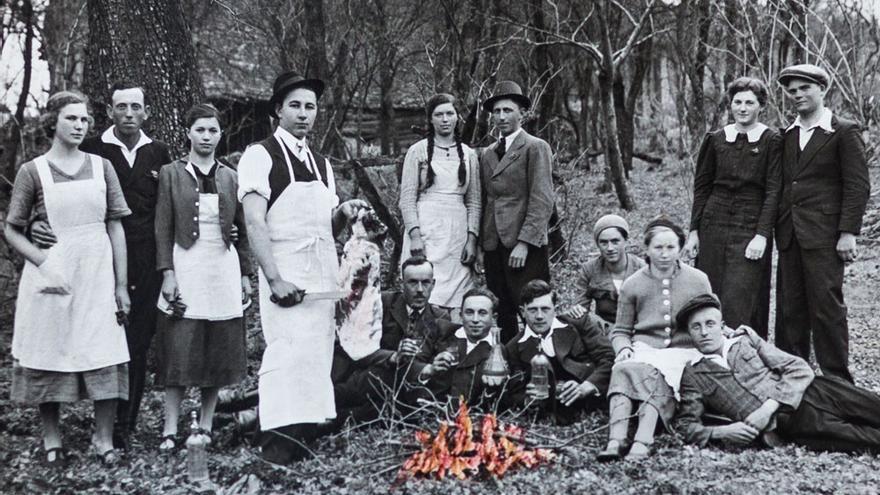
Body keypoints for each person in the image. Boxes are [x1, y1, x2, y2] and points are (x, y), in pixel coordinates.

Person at [30, 81, 173, 445]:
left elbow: (173, 206)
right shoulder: (92, 150)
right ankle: (87, 424)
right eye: (121, 107)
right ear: (109, 113)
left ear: (147, 112)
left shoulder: (159, 152)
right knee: (93, 338)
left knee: (137, 343)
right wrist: (36, 221)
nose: (128, 114)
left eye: (135, 107)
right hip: (94, 259)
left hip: (145, 261)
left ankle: (124, 425)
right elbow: (51, 192)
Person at [237, 71, 367, 464]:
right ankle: (276, 443)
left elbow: (325, 224)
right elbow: (255, 221)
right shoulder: (260, 155)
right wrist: (274, 278)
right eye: (295, 105)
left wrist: (343, 212)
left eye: (310, 106)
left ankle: (305, 436)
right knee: (285, 354)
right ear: (278, 110)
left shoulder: (322, 163)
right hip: (285, 271)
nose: (303, 114)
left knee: (316, 353)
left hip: (321, 273)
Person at [4, 91, 131, 465]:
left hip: (97, 272)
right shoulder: (32, 171)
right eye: (71, 119)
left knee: (104, 348)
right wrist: (43, 261)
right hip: (53, 273)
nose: (79, 126)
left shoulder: (102, 166)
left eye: (84, 119)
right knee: (50, 350)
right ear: (53, 123)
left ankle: (103, 439)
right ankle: (52, 439)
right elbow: (11, 229)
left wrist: (121, 285)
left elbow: (116, 227)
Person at [153, 103, 253, 450]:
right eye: (200, 130)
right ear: (188, 133)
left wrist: (244, 274)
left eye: (212, 130)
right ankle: (169, 428)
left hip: (221, 267)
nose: (206, 137)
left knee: (217, 348)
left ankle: (207, 423)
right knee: (179, 347)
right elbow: (162, 226)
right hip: (187, 265)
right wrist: (167, 273)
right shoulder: (170, 173)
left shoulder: (230, 176)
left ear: (220, 134)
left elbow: (242, 229)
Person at [676, 294, 880, 454]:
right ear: (689, 333)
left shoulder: (744, 340)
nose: (704, 332)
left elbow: (798, 368)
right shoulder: (693, 374)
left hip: (816, 390)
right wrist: (722, 432)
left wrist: (766, 409)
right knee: (867, 440)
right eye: (696, 327)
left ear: (721, 326)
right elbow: (685, 425)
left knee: (872, 406)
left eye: (710, 324)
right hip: (791, 423)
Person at [774, 64, 870, 383]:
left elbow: (857, 185)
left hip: (825, 237)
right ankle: (794, 382)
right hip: (789, 236)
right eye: (792, 90)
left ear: (822, 89)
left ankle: (838, 385)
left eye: (805, 88)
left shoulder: (842, 130)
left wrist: (847, 233)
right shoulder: (786, 135)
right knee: (791, 312)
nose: (798, 95)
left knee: (827, 311)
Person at [597, 218, 712, 461]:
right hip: (645, 348)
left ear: (680, 248)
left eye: (671, 247)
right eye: (658, 248)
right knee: (624, 368)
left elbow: (711, 317)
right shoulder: (633, 284)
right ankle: (616, 438)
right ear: (647, 249)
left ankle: (643, 439)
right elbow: (620, 330)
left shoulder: (698, 279)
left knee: (653, 374)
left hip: (684, 351)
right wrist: (624, 349)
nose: (664, 254)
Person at [683, 77, 782, 338]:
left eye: (750, 102)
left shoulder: (772, 140)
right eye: (737, 102)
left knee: (743, 293)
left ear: (761, 106)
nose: (743, 108)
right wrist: (694, 231)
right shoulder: (715, 139)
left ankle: (744, 354)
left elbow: (774, 191)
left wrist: (761, 235)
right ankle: (708, 354)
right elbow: (702, 187)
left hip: (750, 225)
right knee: (709, 288)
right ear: (730, 105)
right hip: (713, 222)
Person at [479, 81, 555, 343]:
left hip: (524, 244)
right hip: (493, 244)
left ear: (521, 112)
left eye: (508, 110)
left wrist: (524, 243)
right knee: (503, 311)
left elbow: (542, 199)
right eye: (496, 111)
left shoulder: (535, 147)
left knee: (534, 307)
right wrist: (482, 243)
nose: (501, 117)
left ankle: (542, 362)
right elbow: (487, 199)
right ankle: (507, 367)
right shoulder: (488, 153)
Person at [332, 256, 451, 421]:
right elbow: (354, 345)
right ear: (402, 284)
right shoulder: (381, 304)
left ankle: (337, 420)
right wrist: (394, 357)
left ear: (433, 284)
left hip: (407, 390)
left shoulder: (441, 318)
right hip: (366, 380)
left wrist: (434, 365)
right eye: (412, 282)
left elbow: (436, 368)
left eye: (425, 283)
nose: (419, 289)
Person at [398, 94, 480, 313]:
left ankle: (453, 343)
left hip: (457, 232)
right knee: (425, 287)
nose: (445, 119)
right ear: (431, 120)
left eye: (449, 114)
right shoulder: (418, 151)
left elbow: (474, 201)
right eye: (439, 114)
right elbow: (406, 198)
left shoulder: (469, 155)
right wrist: (415, 235)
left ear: (457, 117)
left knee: (457, 294)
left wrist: (472, 239)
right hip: (427, 228)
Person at [506, 280, 615, 425]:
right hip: (552, 411)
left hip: (592, 402)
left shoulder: (577, 324)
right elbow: (514, 391)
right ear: (522, 311)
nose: (539, 316)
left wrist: (587, 386)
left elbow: (608, 357)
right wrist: (528, 397)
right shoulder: (514, 347)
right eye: (533, 310)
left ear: (554, 309)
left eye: (545, 309)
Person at [408, 287, 506, 409]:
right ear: (461, 315)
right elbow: (410, 367)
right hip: (428, 412)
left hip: (470, 420)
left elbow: (501, 400)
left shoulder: (498, 352)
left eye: (482, 313)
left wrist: (491, 389)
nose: (475, 320)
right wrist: (429, 370)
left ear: (494, 317)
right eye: (469, 312)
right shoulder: (441, 331)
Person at [567, 214, 645, 333]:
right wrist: (577, 310)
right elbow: (581, 308)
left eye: (615, 241)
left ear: (626, 242)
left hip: (639, 331)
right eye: (604, 242)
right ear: (598, 244)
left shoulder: (642, 268)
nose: (610, 248)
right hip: (604, 330)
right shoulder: (590, 269)